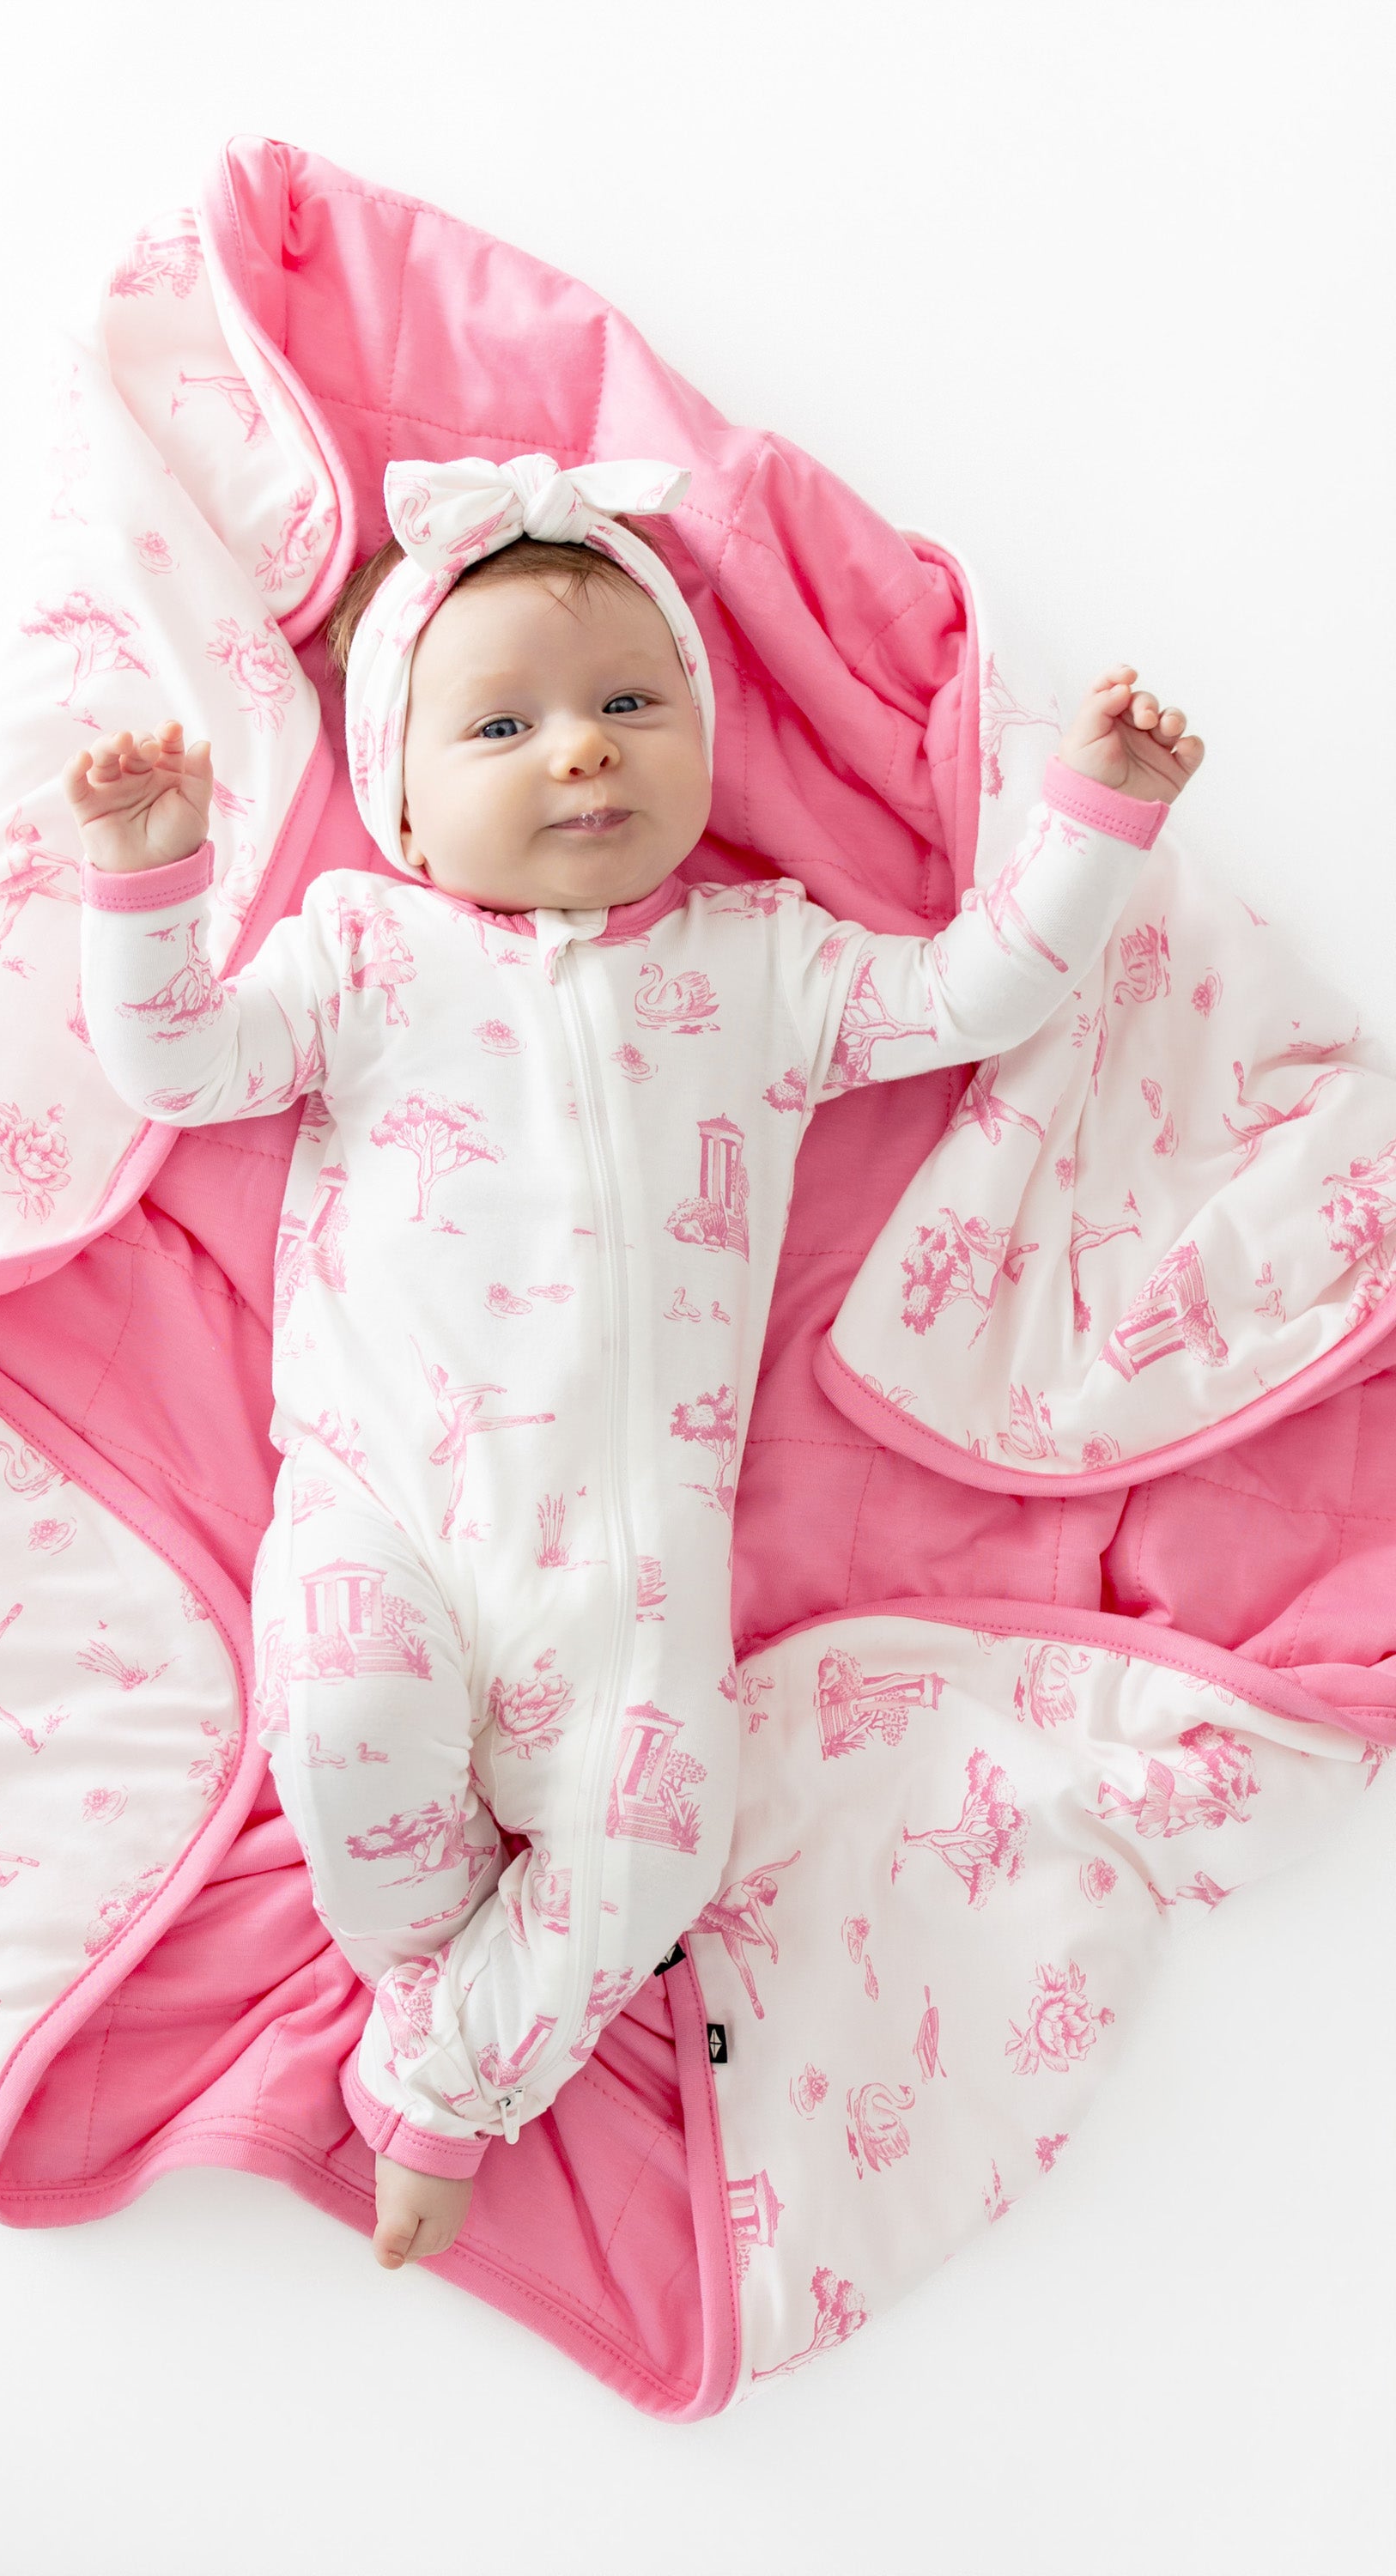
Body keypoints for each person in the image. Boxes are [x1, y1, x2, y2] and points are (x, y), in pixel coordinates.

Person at [65, 452, 1204, 2274]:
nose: (580, 750)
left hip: (632, 1582)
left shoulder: (763, 964)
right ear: (406, 813)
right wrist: (147, 885)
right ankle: (463, 1982)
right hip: (392, 1516)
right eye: (501, 724)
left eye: (625, 702)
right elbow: (180, 1067)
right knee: (344, 1728)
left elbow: (973, 994)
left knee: (662, 1848)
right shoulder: (367, 954)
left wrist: (1093, 817)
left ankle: (444, 2075)